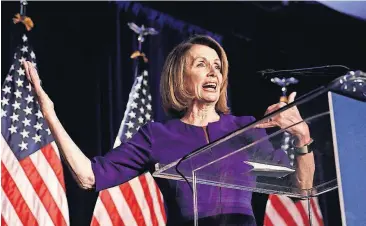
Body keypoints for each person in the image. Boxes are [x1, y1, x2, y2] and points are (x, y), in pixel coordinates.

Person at [23, 35, 314, 226]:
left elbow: (301, 190)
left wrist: (303, 138)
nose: (213, 72)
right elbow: (88, 177)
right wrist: (49, 111)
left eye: (217, 66)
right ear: (181, 76)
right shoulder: (158, 136)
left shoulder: (245, 130)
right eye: (202, 64)